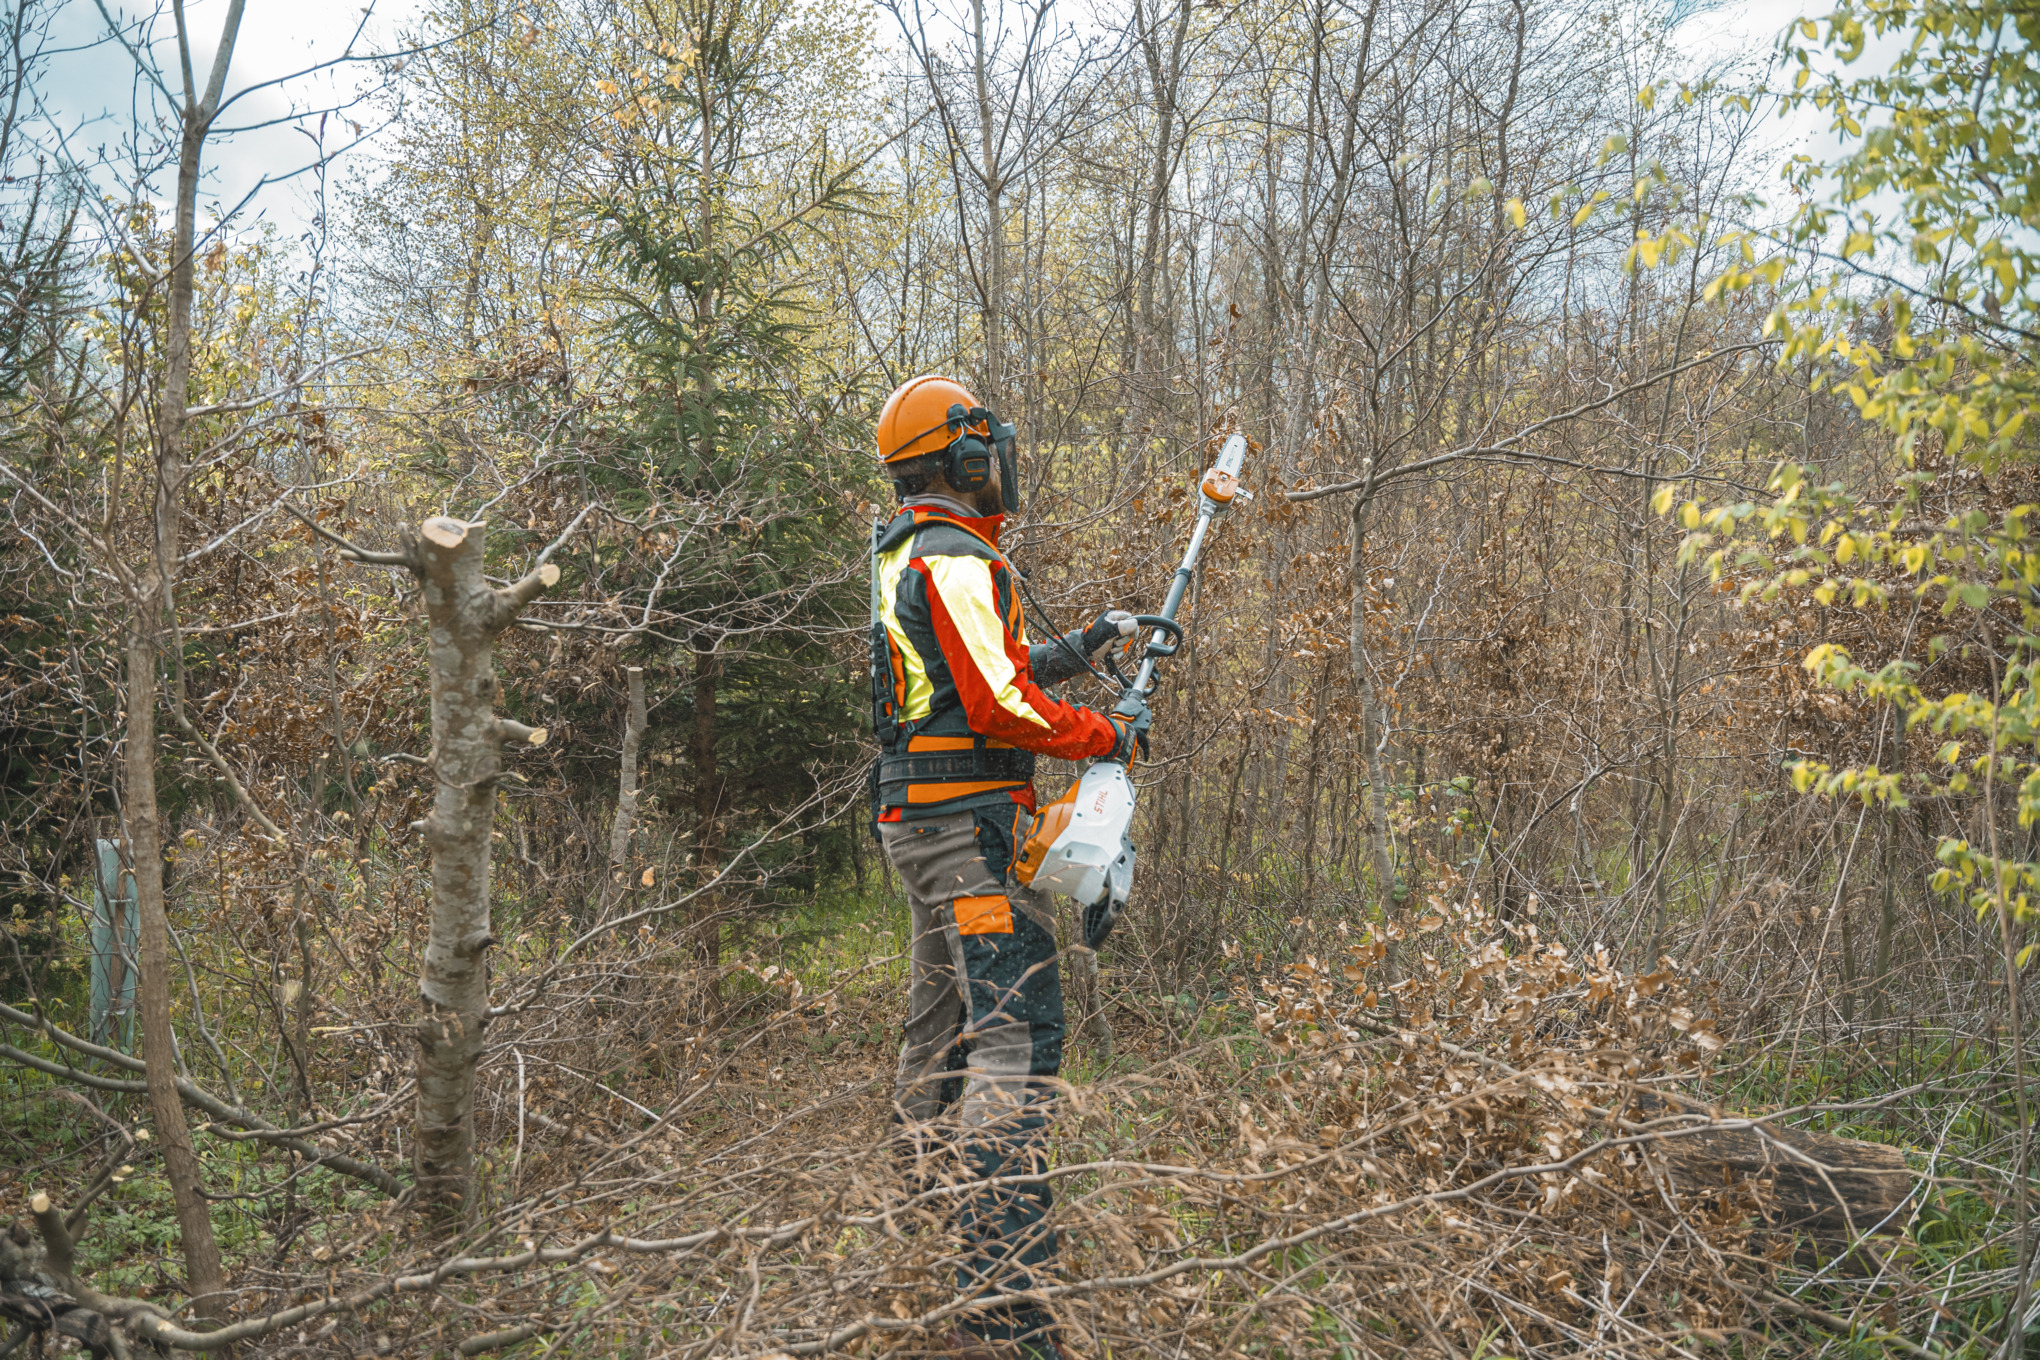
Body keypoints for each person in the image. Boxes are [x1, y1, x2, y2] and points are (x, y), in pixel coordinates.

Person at [868, 374, 1149, 1358]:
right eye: (992, 450)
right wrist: (1104, 734)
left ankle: (909, 1243)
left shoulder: (922, 550)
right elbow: (996, 708)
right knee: (1014, 1038)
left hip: (928, 822)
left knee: (940, 1030)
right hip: (961, 831)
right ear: (968, 457)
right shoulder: (952, 559)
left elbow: (990, 674)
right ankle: (1003, 1296)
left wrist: (1086, 647)